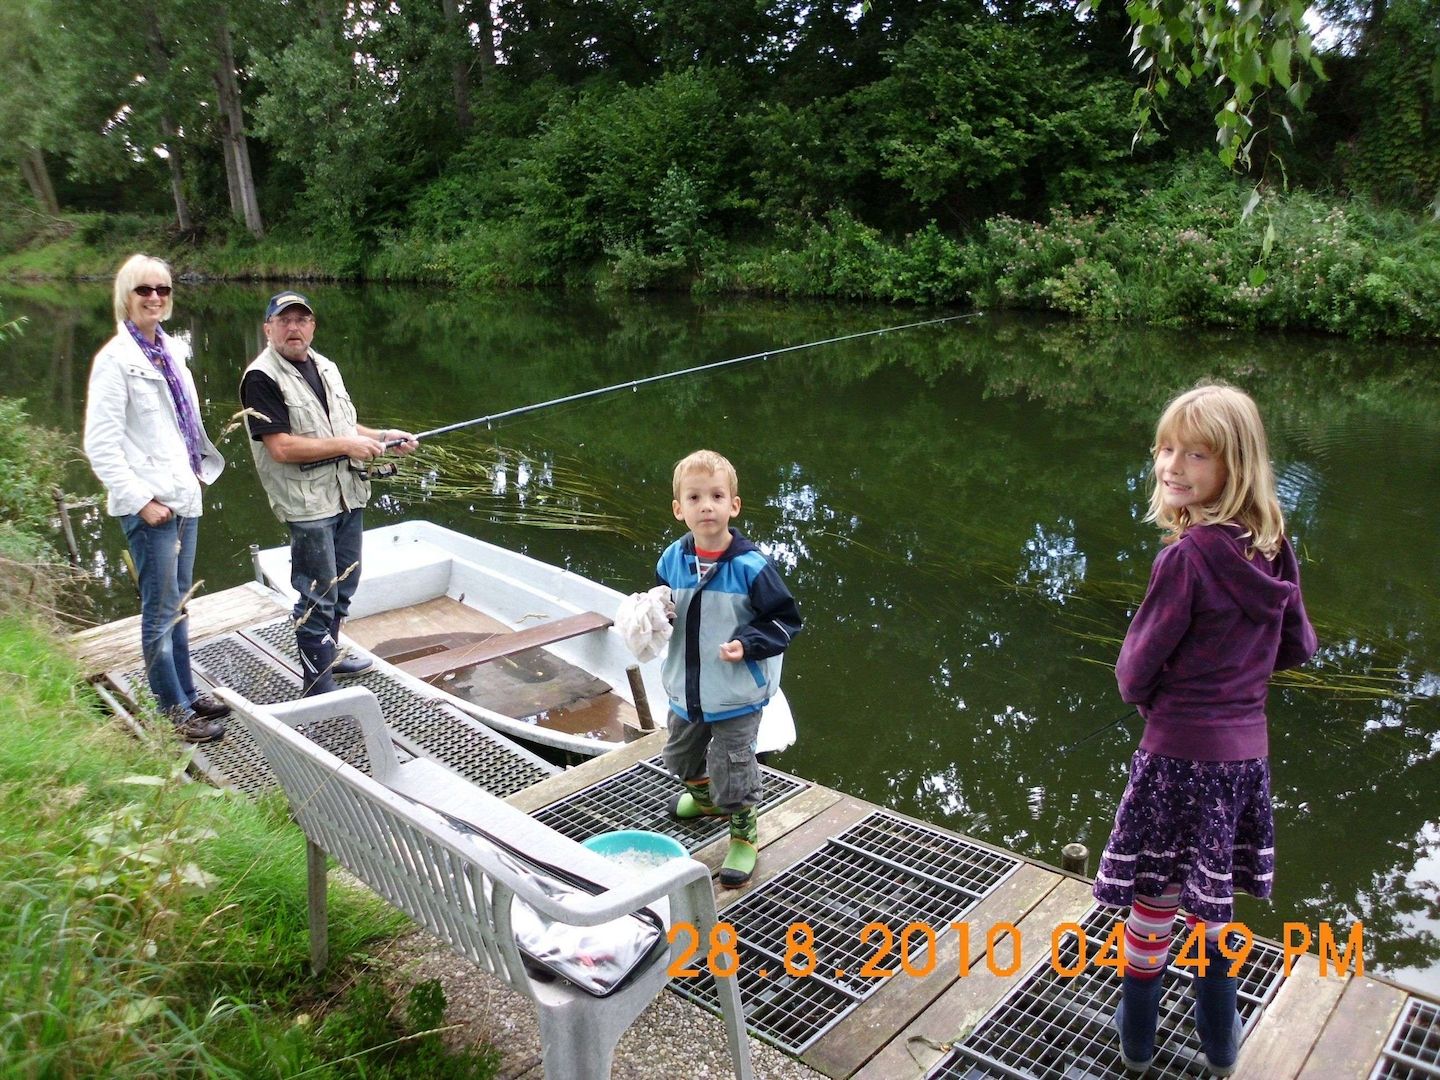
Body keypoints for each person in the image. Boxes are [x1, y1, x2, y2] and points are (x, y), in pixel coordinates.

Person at [1093, 382, 1317, 1076]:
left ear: (1235, 465)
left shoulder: (1185, 559)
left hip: (1176, 758)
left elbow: (1135, 669)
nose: (1172, 465)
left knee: (1152, 907)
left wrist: (1161, 704)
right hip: (1244, 757)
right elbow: (1297, 645)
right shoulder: (1273, 549)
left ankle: (1135, 1047)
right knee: (1214, 913)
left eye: (1196, 454)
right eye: (1166, 448)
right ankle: (1222, 1054)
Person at [239, 291, 417, 697]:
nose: (294, 327)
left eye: (302, 320)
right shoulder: (261, 378)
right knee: (318, 594)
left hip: (347, 493)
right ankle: (317, 686)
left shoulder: (327, 367)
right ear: (268, 328)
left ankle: (330, 655)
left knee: (344, 586)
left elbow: (346, 427)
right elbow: (280, 447)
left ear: (313, 327)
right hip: (307, 504)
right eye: (284, 321)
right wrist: (346, 447)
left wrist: (385, 437)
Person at [83, 254, 229, 743]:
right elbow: (99, 445)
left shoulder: (171, 352)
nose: (154, 298)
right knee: (160, 611)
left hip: (184, 499)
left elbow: (181, 428)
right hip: (153, 508)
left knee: (180, 604)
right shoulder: (114, 360)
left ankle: (186, 692)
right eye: (144, 289)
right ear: (126, 295)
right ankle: (173, 711)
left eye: (163, 289)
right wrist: (141, 500)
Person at [658, 450, 801, 888]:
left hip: (737, 692)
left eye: (717, 495)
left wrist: (749, 643)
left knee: (733, 766)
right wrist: (653, 614)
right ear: (679, 509)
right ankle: (704, 801)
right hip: (687, 686)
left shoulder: (750, 566)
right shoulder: (672, 559)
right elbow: (663, 600)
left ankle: (743, 833)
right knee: (679, 757)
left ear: (733, 506)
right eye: (695, 497)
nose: (707, 505)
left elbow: (786, 620)